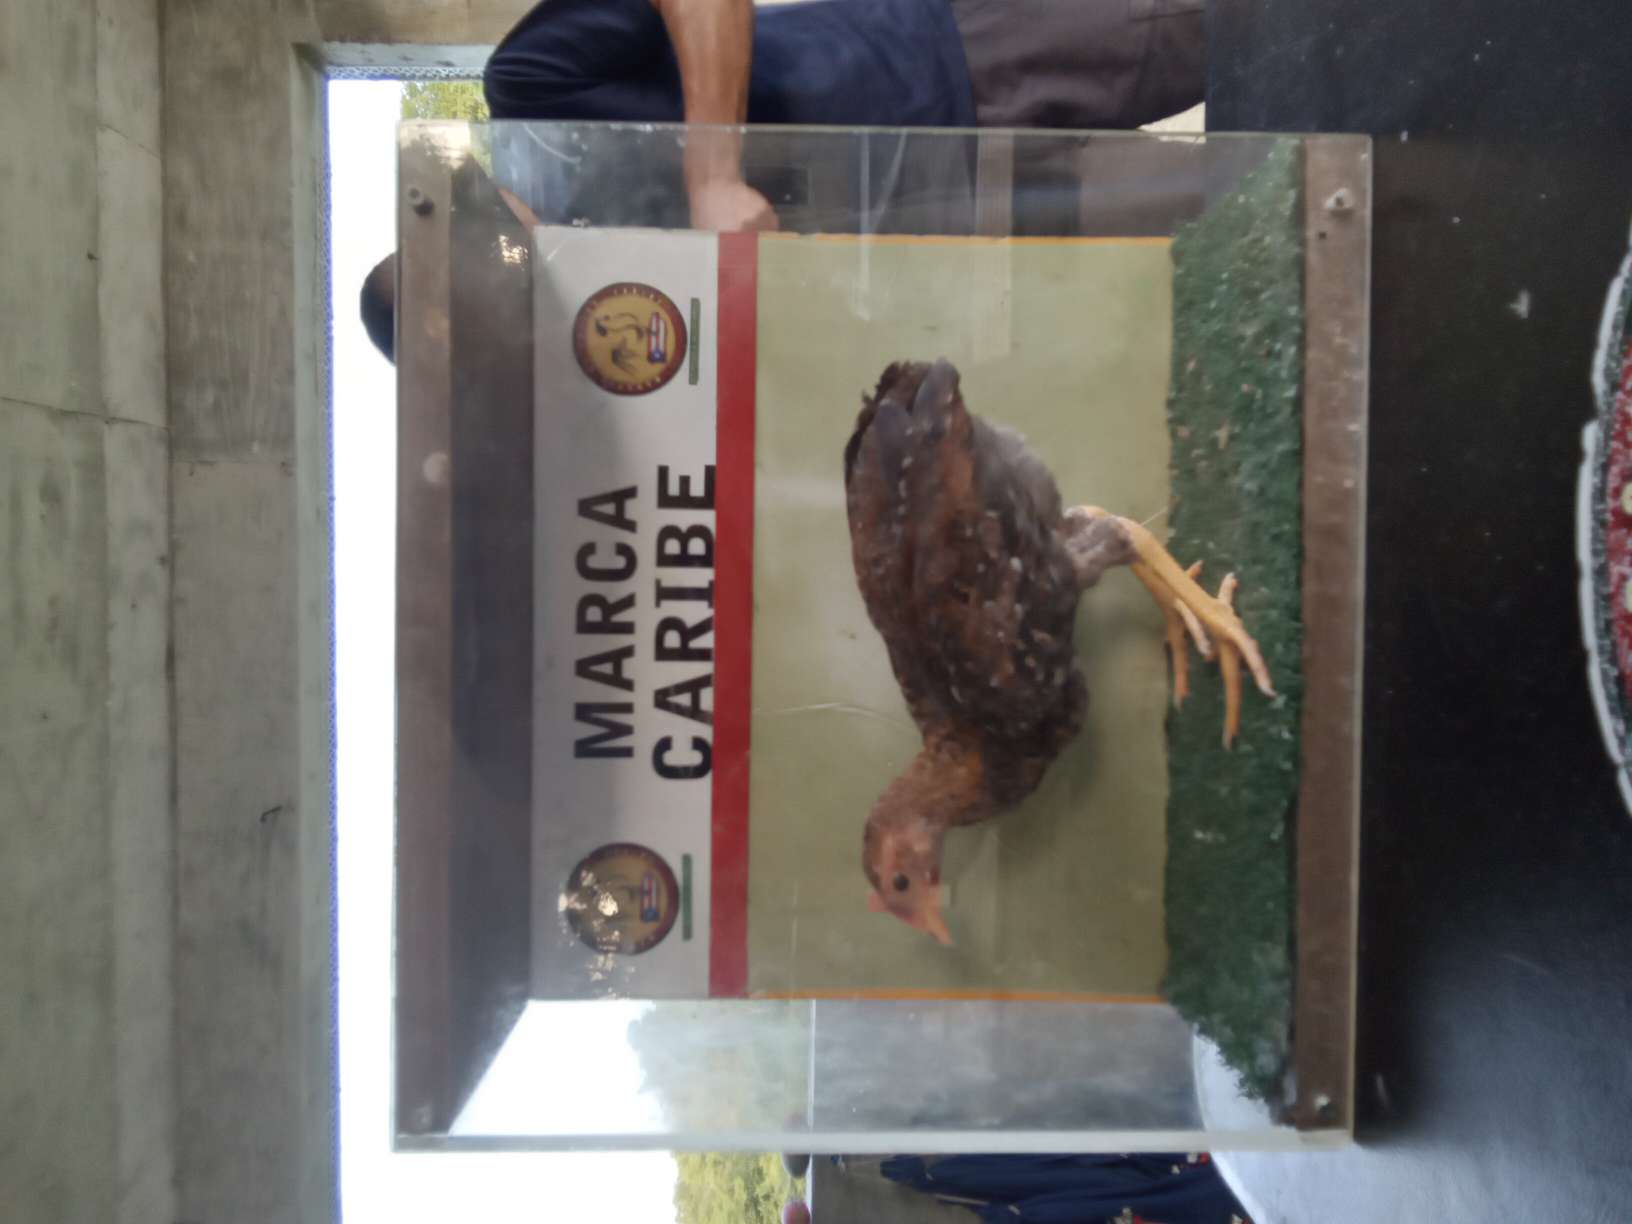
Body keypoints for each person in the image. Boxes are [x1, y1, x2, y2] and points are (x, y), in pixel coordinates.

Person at [362, 0, 1204, 359]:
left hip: (954, 53)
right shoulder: (608, 333)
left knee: (1235, 26)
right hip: (974, 236)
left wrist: (713, 174)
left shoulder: (528, 93)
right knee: (1228, 217)